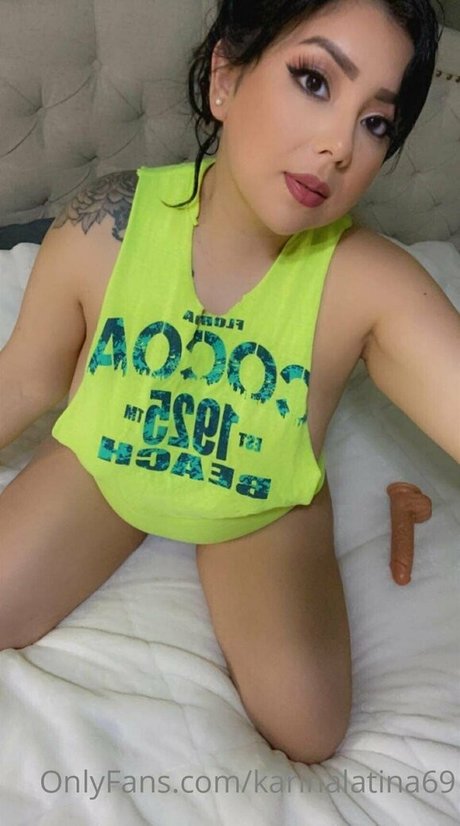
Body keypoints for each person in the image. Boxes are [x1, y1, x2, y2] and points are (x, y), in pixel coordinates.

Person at [0, 0, 457, 764]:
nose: (340, 145)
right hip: (106, 458)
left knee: (308, 728)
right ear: (225, 76)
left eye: (376, 122)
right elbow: (22, 379)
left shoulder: (370, 282)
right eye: (315, 81)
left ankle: (300, 490)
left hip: (259, 492)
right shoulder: (103, 224)